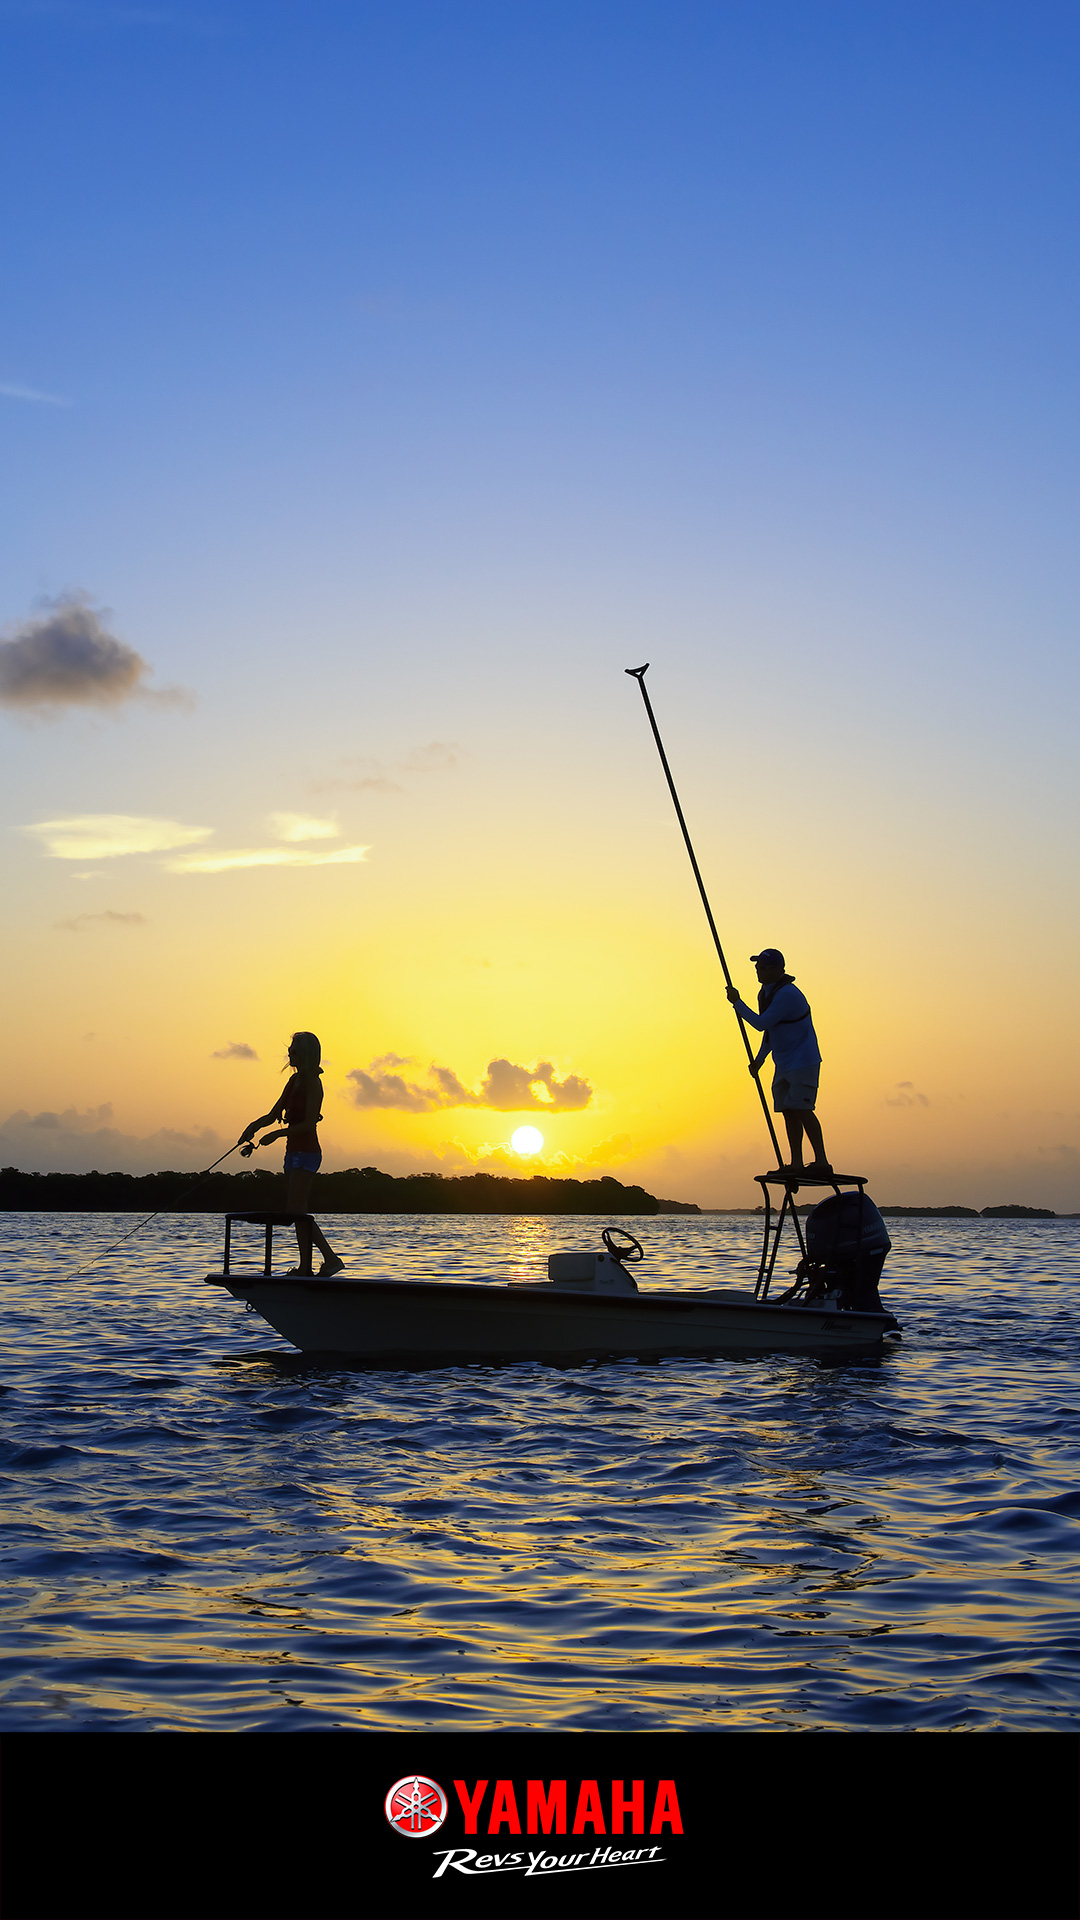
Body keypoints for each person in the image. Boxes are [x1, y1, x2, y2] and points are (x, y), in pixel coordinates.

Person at [239, 1031, 344, 1276]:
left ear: (306, 1054)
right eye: (290, 1049)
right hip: (293, 1152)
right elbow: (273, 1115)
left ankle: (331, 1259)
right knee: (297, 1212)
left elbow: (309, 1124)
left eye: (294, 1050)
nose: (289, 1053)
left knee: (296, 1212)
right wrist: (252, 1127)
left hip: (307, 1152)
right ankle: (306, 1267)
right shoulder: (293, 1082)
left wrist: (277, 1135)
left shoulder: (313, 1084)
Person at [726, 949, 832, 1175]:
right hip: (783, 1062)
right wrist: (760, 1059)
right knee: (787, 1110)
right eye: (758, 968)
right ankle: (796, 1163)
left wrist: (737, 1003)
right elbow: (771, 1031)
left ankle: (822, 1162)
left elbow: (761, 1023)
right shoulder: (765, 993)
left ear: (778, 969)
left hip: (803, 1061)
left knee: (802, 1109)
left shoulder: (788, 995)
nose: (759, 972)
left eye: (764, 968)